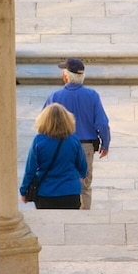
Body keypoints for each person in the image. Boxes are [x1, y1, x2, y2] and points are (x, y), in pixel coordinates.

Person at [44, 57, 111, 209]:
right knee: (84, 186)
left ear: (66, 76)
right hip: (85, 147)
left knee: (62, 182)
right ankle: (84, 216)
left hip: (61, 145)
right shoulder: (92, 95)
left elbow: (44, 123)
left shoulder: (55, 97)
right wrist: (105, 143)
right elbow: (102, 123)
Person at [22, 103, 88, 209]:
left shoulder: (39, 141)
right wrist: (81, 177)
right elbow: (82, 166)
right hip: (70, 191)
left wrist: (24, 190)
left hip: (46, 192)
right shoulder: (73, 140)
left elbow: (30, 169)